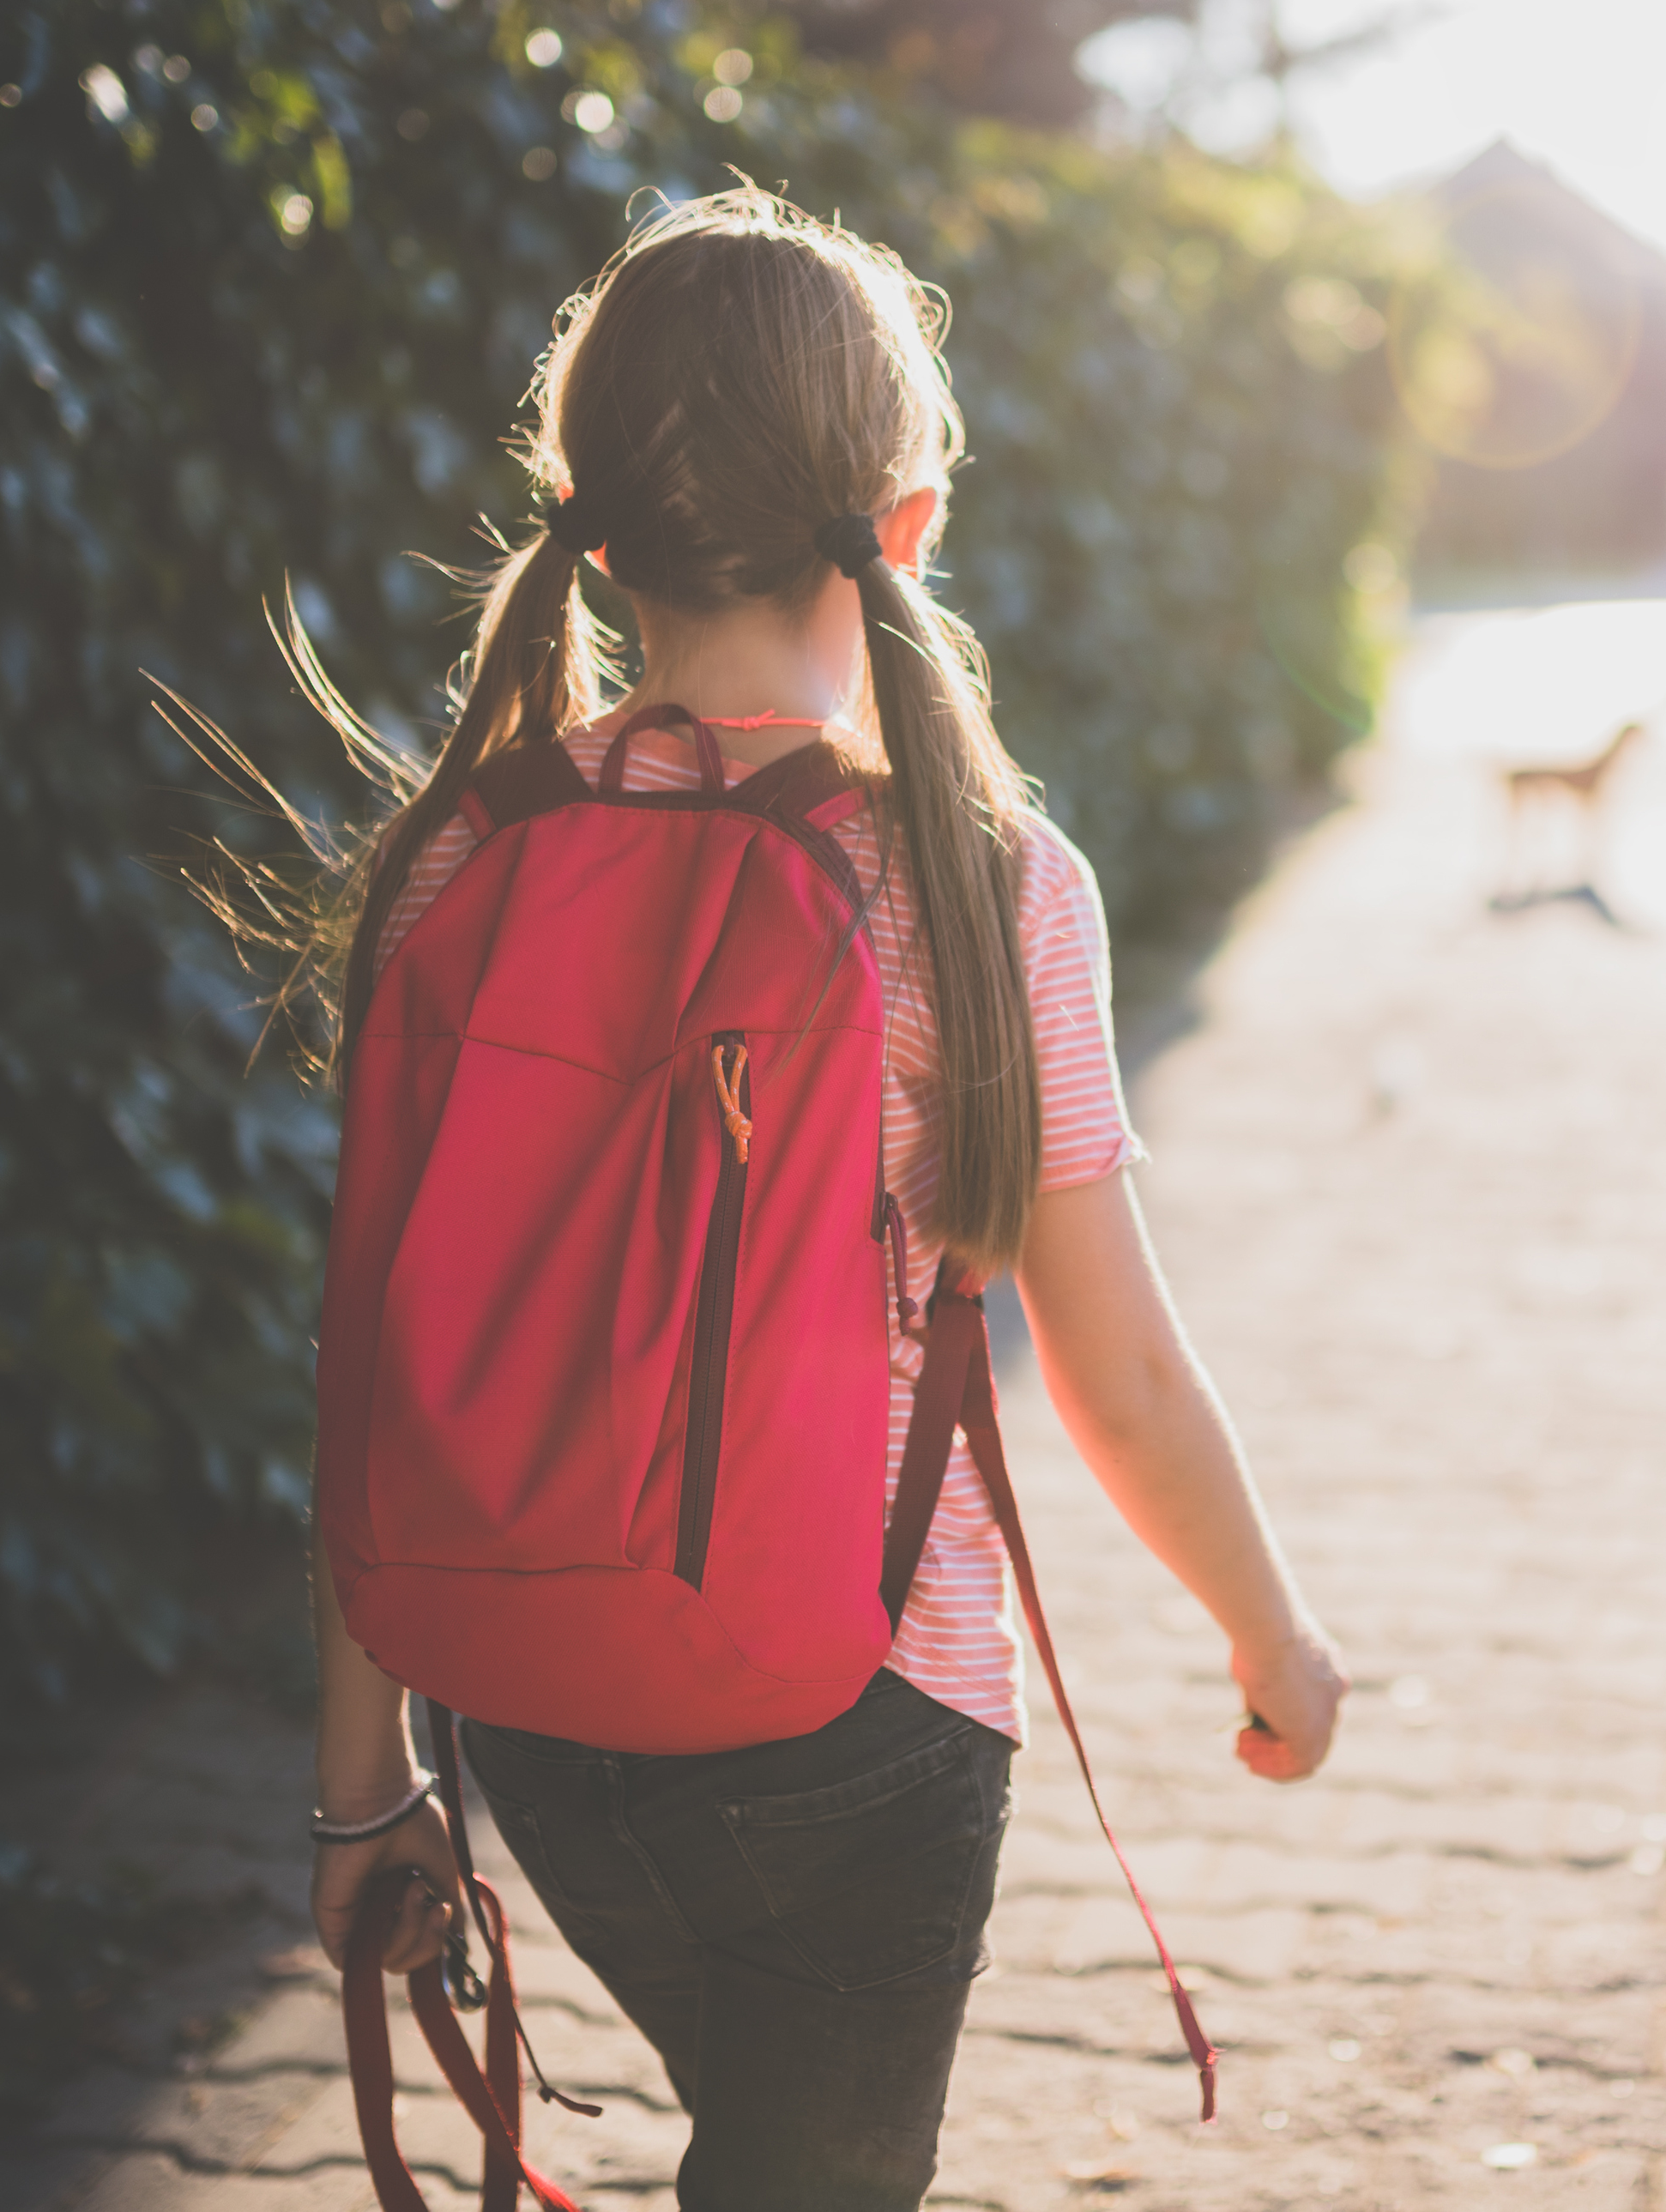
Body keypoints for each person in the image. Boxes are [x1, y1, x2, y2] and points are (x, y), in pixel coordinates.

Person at [295, 190, 1348, 2209]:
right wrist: (1269, 1633)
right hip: (859, 1720)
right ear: (911, 513)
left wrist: (364, 1794)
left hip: (525, 1702)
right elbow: (1112, 1362)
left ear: (587, 527)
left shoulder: (456, 859)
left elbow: (370, 1350)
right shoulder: (982, 883)